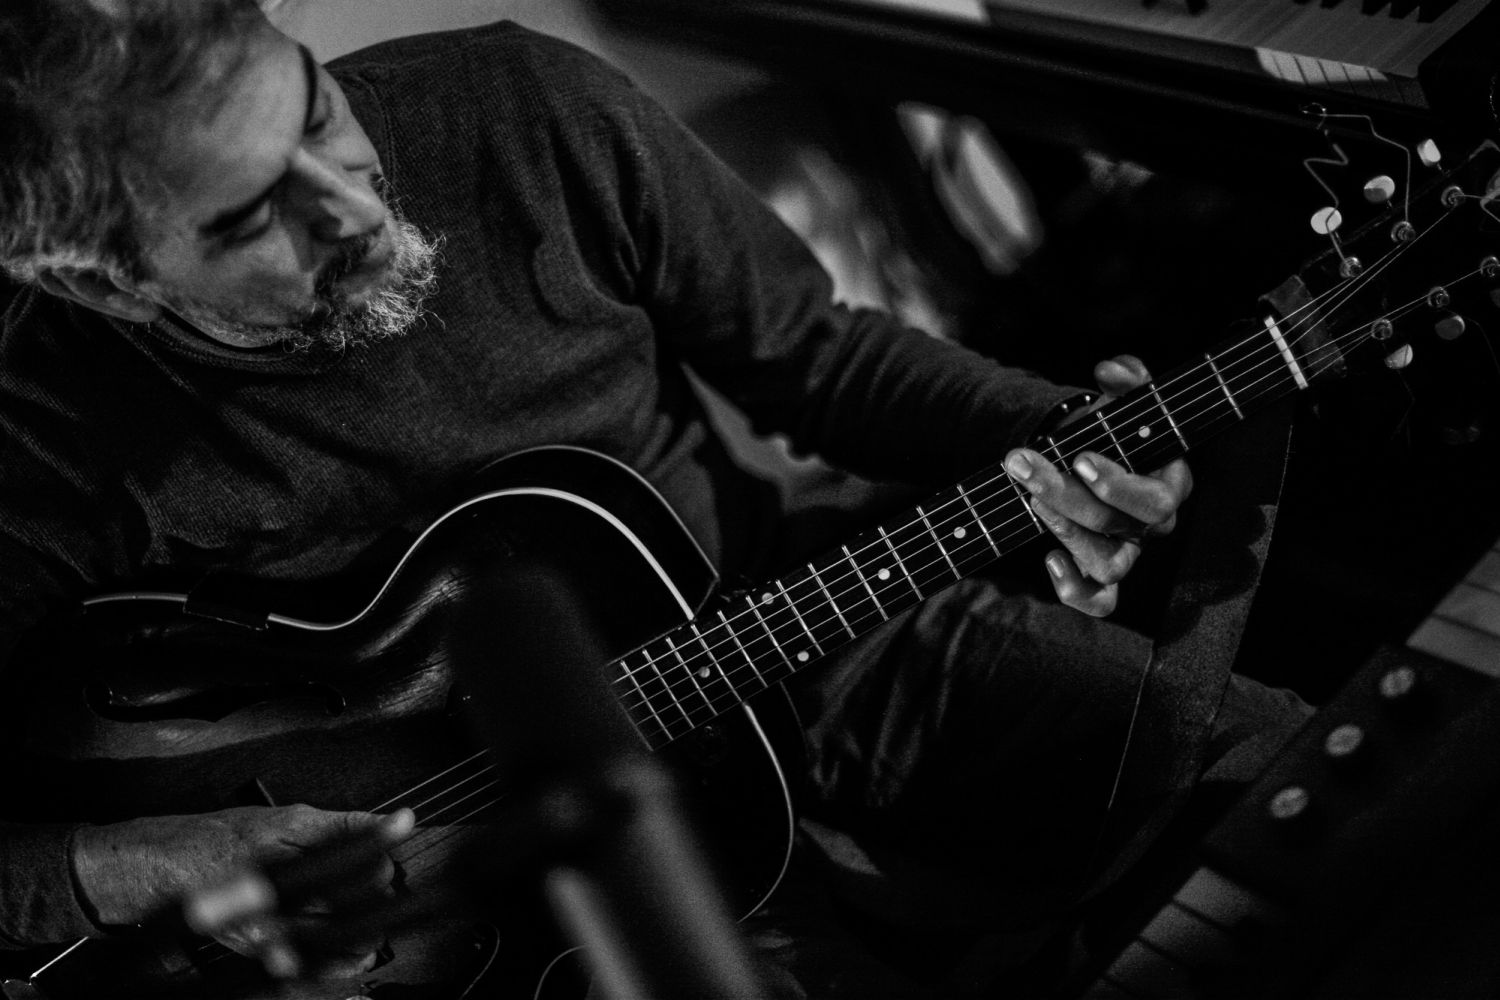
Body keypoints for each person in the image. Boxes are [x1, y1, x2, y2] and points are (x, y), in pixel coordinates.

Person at [0, 0, 1310, 995]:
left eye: (316, 113)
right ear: (107, 282)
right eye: (249, 219)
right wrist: (131, 868)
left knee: (1303, 788)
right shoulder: (37, 434)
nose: (350, 203)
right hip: (493, 919)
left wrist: (1053, 439)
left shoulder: (523, 109)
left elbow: (817, 357)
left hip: (795, 626)